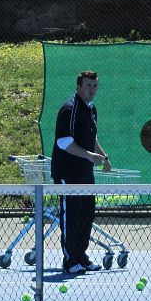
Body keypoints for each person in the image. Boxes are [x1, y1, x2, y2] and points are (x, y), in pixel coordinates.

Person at [51, 70, 112, 274]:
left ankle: (81, 257)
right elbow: (64, 141)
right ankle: (70, 261)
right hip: (68, 173)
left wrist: (103, 157)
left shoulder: (91, 109)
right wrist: (88, 156)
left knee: (86, 215)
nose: (92, 90)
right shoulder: (69, 109)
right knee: (72, 216)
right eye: (88, 85)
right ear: (79, 87)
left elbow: (91, 138)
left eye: (95, 86)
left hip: (85, 174)